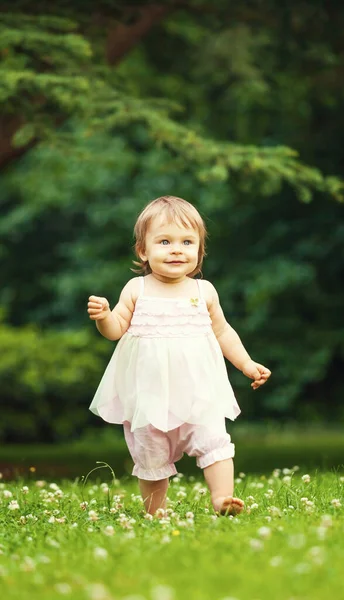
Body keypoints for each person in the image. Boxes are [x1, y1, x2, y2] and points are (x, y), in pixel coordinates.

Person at [87, 196, 271, 516]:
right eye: (165, 241)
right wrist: (104, 316)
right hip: (149, 395)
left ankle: (222, 499)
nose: (176, 249)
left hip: (199, 391)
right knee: (151, 451)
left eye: (187, 242)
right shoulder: (136, 289)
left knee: (214, 438)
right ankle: (155, 510)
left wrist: (246, 364)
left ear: (199, 251)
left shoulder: (204, 291)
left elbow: (224, 332)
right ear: (144, 251)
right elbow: (116, 329)